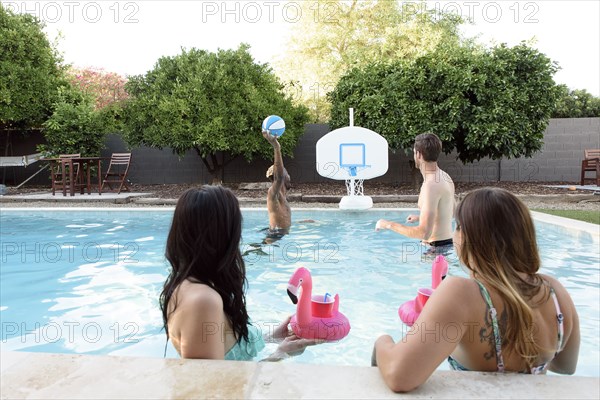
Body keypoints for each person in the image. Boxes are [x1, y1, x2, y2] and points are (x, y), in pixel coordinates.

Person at [372, 187, 580, 392]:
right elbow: (565, 366)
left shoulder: (461, 293)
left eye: (457, 227)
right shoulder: (555, 291)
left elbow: (398, 375)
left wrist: (382, 341)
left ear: (468, 235)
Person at [159, 186, 317, 361]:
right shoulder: (203, 301)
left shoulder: (190, 284)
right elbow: (210, 384)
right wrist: (280, 354)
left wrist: (274, 337)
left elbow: (226, 348)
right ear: (223, 236)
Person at [375, 133, 454, 255]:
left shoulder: (431, 185)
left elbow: (423, 233)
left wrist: (388, 225)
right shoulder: (445, 176)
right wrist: (421, 217)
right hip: (444, 246)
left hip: (436, 250)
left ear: (418, 154)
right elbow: (450, 211)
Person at [263, 129, 291, 244]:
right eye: (286, 172)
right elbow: (278, 177)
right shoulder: (273, 193)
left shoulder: (282, 196)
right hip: (274, 236)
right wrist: (276, 147)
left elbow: (283, 218)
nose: (289, 175)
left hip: (280, 234)